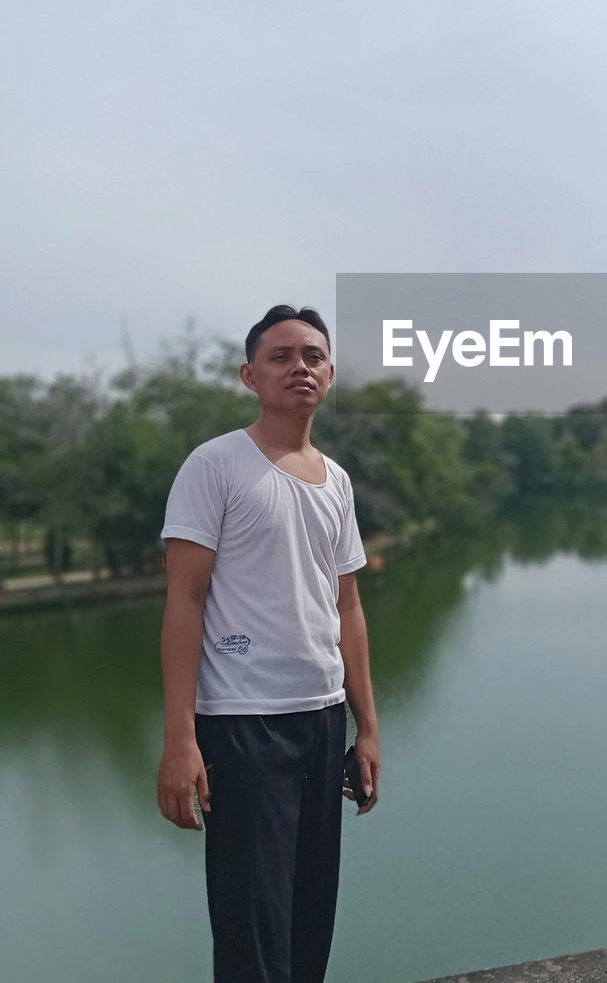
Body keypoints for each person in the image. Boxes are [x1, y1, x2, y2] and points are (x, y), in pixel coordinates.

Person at [156, 304, 380, 983]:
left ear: (331, 374)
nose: (299, 367)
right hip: (242, 722)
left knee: (310, 918)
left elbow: (347, 606)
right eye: (281, 356)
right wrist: (179, 739)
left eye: (312, 355)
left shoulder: (335, 480)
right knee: (254, 926)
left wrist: (366, 728)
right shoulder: (216, 464)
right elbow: (184, 601)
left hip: (319, 717)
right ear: (251, 375)